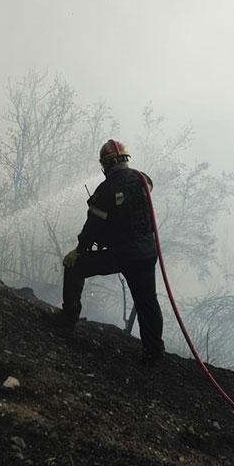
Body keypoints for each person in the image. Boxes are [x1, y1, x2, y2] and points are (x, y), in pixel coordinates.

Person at [60, 139, 165, 363]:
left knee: (75, 266)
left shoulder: (107, 189)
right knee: (148, 302)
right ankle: (154, 353)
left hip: (122, 254)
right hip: (147, 253)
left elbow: (93, 226)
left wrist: (79, 249)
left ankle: (66, 322)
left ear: (105, 165)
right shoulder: (143, 180)